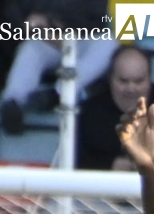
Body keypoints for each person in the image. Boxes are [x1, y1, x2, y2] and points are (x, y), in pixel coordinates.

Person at [0, 3, 116, 135]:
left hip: (82, 41)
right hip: (44, 39)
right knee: (30, 49)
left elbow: (98, 20)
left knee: (108, 44)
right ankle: (13, 102)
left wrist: (52, 23)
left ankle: (58, 93)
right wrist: (29, 25)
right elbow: (13, 16)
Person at [74, 43, 154, 173]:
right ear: (110, 79)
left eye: (138, 81)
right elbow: (73, 163)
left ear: (149, 79)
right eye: (123, 81)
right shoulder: (88, 114)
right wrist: (110, 166)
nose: (131, 89)